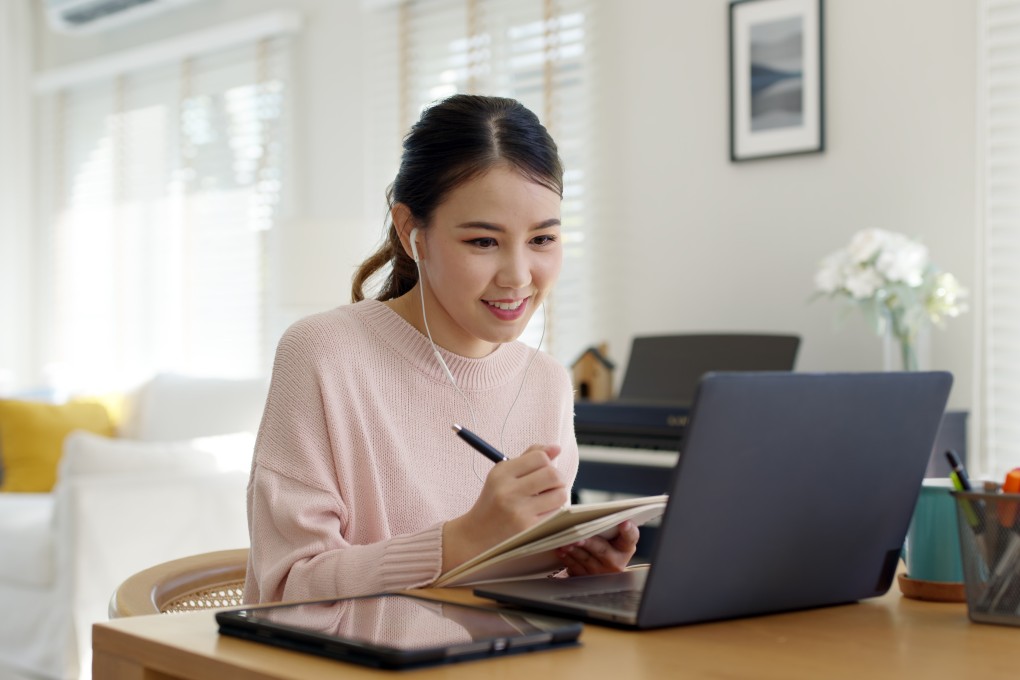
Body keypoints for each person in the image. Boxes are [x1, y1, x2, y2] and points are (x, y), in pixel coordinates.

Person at [244, 94, 638, 604]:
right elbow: (284, 588)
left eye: (542, 240)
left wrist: (579, 574)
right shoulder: (324, 354)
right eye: (482, 242)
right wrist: (462, 541)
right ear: (412, 232)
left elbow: (510, 599)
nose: (518, 277)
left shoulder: (546, 381)